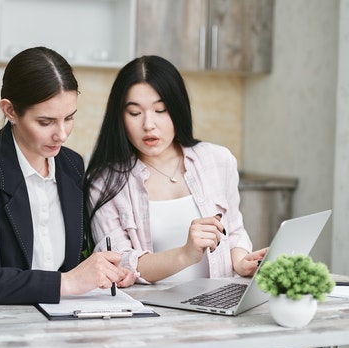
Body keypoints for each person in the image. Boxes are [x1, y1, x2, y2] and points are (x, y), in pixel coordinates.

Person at [0, 46, 135, 305]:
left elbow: (73, 261)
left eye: (69, 118)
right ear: (10, 111)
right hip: (1, 329)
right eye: (46, 122)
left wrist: (107, 271)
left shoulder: (71, 165)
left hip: (64, 322)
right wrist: (67, 283)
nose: (62, 135)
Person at [84, 55, 268, 286]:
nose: (148, 124)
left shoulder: (217, 160)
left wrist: (241, 262)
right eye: (134, 113)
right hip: (151, 311)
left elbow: (233, 231)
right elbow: (119, 263)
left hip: (217, 304)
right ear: (120, 118)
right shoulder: (104, 182)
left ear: (178, 110)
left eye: (160, 110)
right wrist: (185, 254)